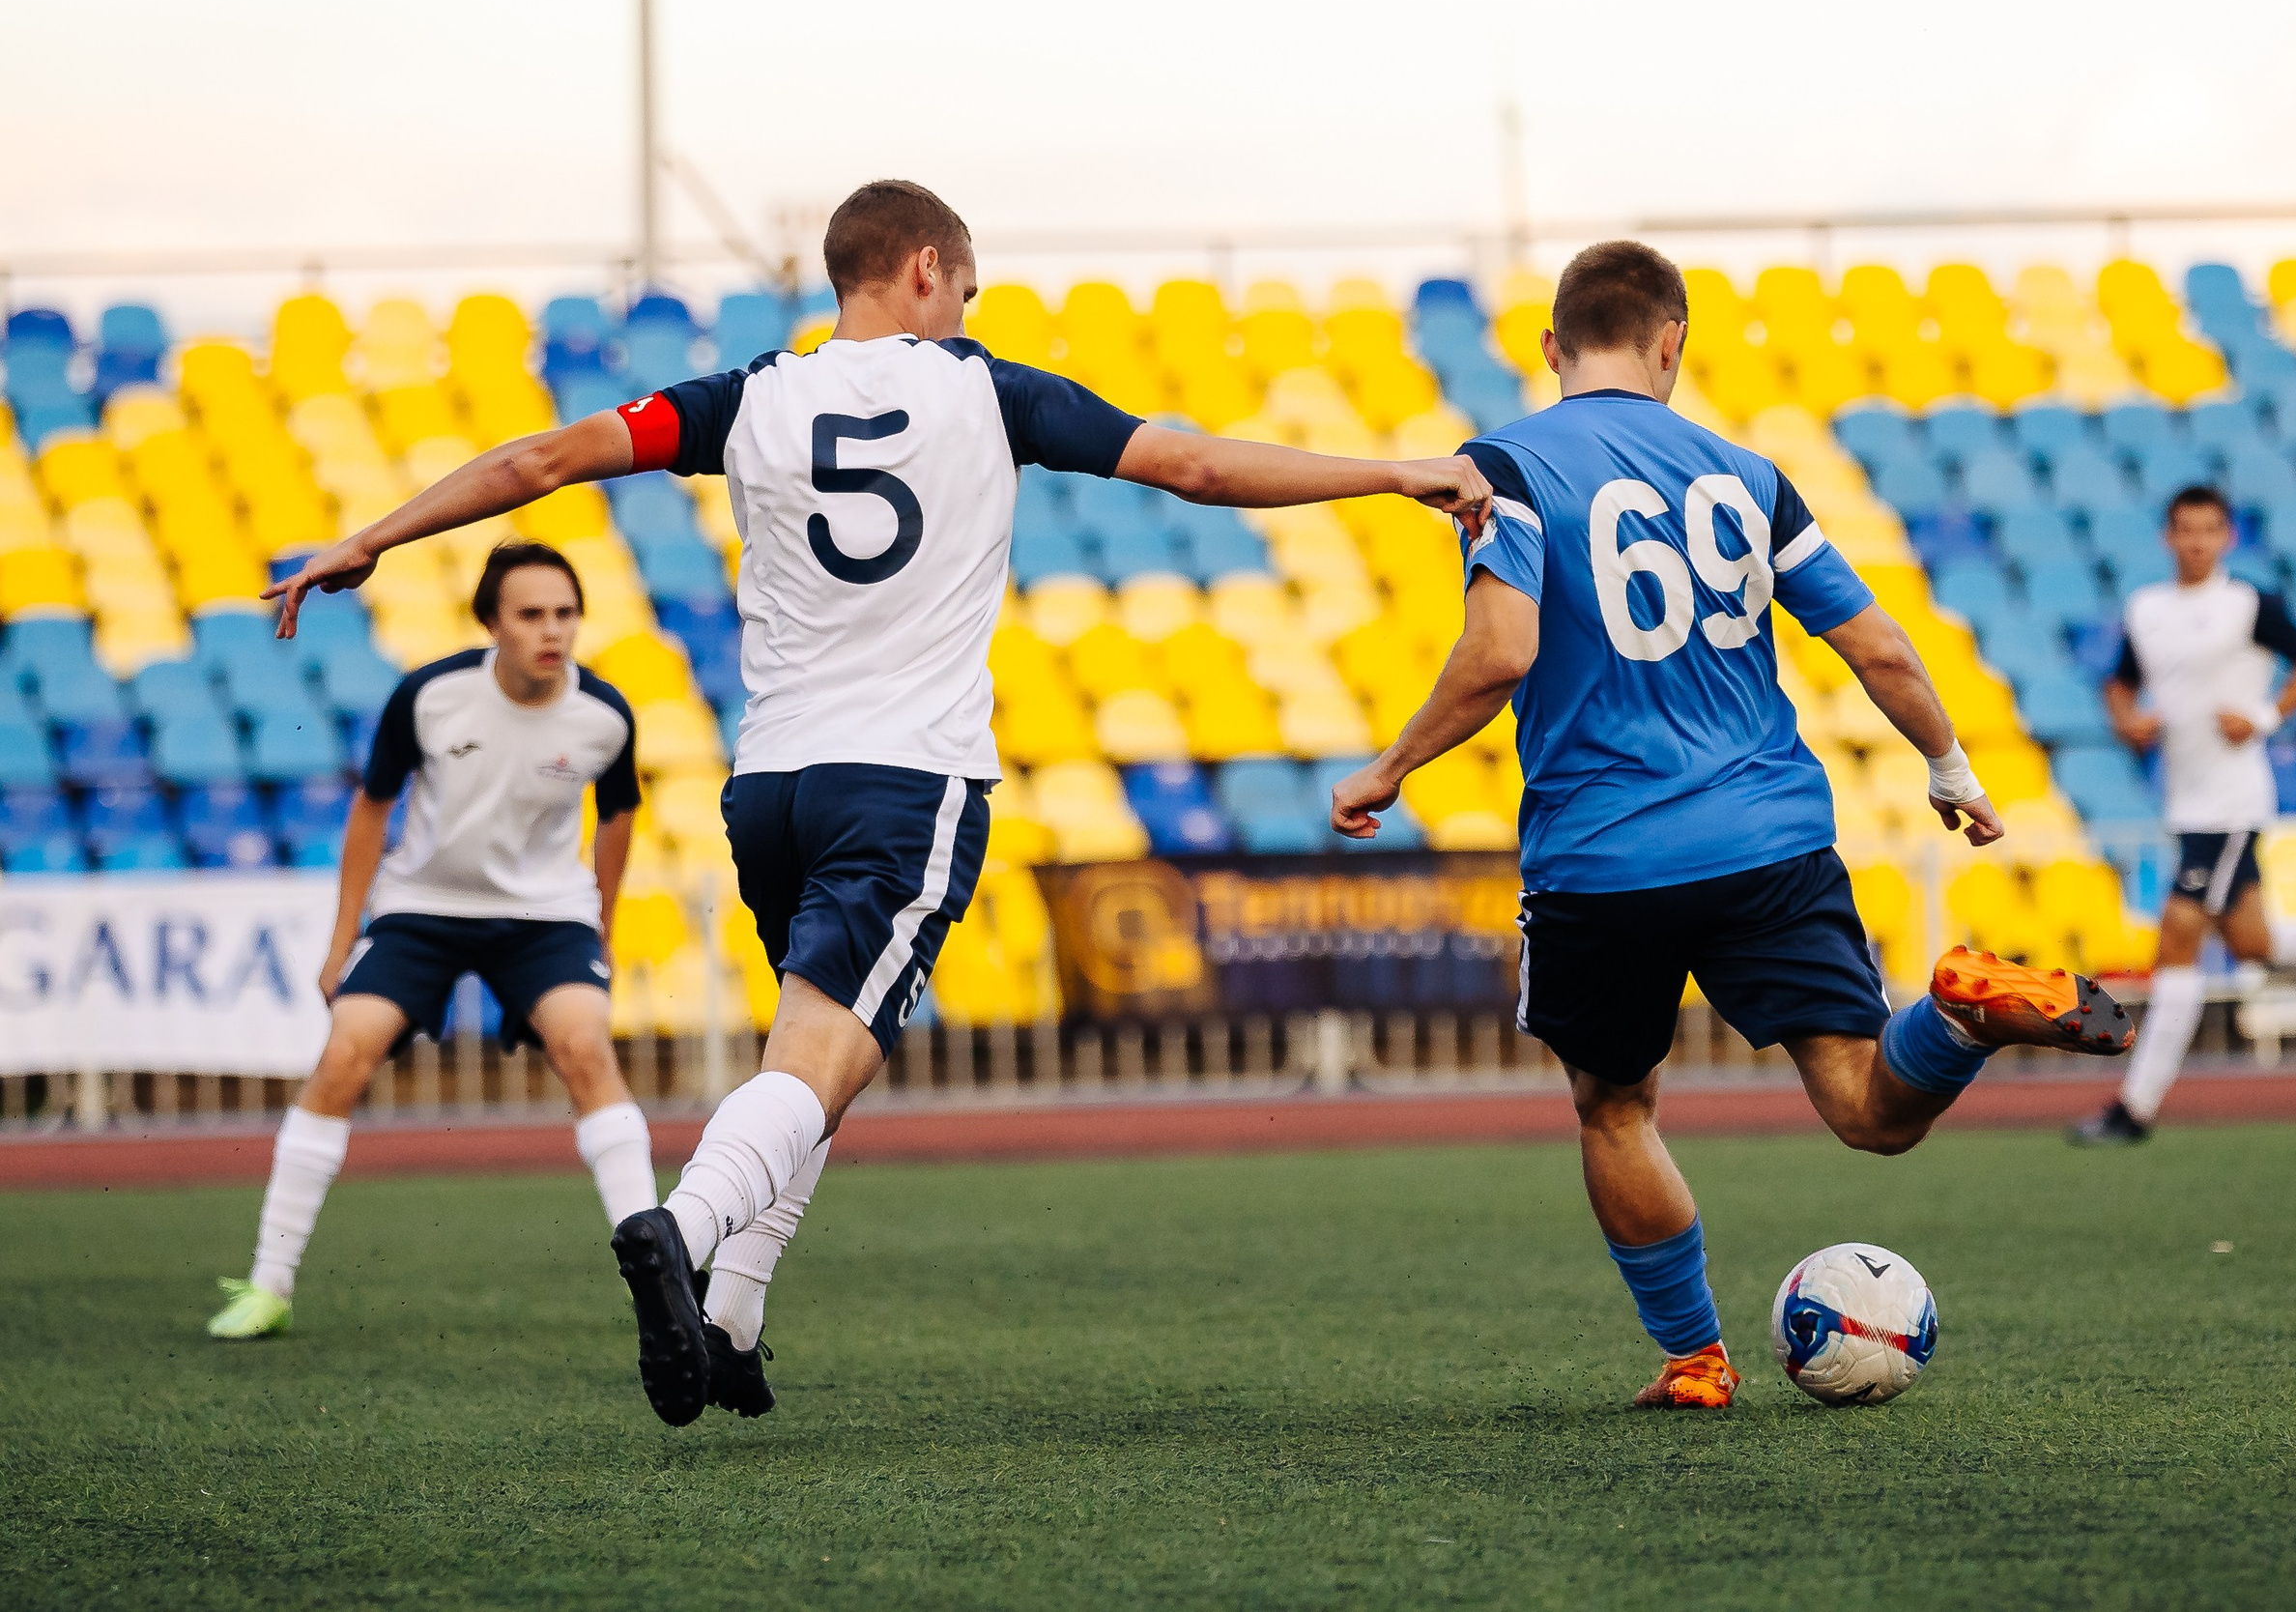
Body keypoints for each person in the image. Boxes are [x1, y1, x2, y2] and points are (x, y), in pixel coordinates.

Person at [261, 180, 1495, 1424]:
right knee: (820, 1065)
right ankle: (679, 1231)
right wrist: (1387, 473)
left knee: (814, 1060)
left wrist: (375, 536)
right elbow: (1191, 465)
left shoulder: (747, 397)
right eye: (964, 284)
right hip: (907, 780)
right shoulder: (984, 388)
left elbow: (540, 459)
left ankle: (734, 1317)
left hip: (773, 786)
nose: (967, 307)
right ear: (920, 268)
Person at [1328, 241, 2139, 1410]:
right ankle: (1958, 1015)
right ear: (1672, 345)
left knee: (1613, 1105)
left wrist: (1391, 766)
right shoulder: (1750, 477)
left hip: (1603, 857)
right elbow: (1875, 644)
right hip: (1768, 836)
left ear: (1550, 348)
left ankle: (1696, 1359)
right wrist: (1948, 767)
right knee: (1867, 1109)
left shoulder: (1500, 467)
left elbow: (1500, 653)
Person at [210, 542, 654, 1339]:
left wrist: (603, 927)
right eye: (531, 614)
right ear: (491, 623)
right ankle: (268, 1283)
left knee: (587, 1048)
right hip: (421, 908)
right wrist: (342, 939)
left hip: (545, 916)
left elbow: (618, 816)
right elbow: (372, 809)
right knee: (345, 1053)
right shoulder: (430, 695)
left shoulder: (605, 715)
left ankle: (661, 1287)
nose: (552, 630)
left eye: (565, 613)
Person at [2069, 484, 2296, 1146]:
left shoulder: (2248, 604)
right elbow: (2118, 682)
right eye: (2185, 528)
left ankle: (2135, 1107)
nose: (2197, 540)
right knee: (2254, 945)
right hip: (2185, 799)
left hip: (2234, 802)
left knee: (2178, 932)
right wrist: (2129, 722)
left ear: (2227, 536)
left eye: (2209, 528)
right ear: (2167, 536)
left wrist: (2264, 716)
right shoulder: (2147, 609)